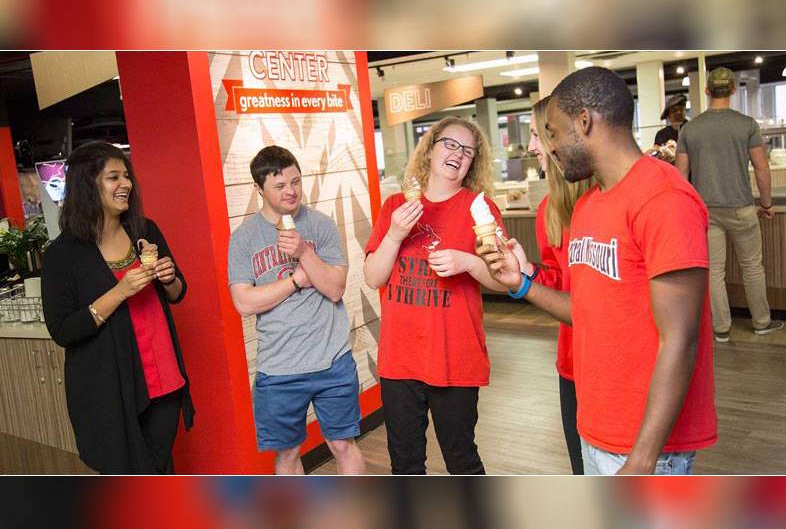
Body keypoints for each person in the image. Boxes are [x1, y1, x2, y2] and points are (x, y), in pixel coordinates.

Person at [478, 67, 717, 475]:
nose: (549, 147)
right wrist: (520, 283)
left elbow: (681, 340)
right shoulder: (588, 206)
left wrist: (642, 460)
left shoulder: (664, 199)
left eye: (552, 132)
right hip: (595, 428)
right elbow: (585, 311)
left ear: (584, 122)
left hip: (646, 447)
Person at [363, 116, 506, 475]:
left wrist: (469, 262)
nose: (459, 154)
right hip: (400, 359)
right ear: (429, 149)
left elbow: (505, 281)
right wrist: (395, 234)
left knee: (462, 462)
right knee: (405, 464)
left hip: (455, 358)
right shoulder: (396, 205)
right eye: (450, 144)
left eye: (468, 151)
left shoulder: (479, 208)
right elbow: (372, 276)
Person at [41, 141, 194, 474]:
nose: (125, 184)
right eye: (113, 177)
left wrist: (168, 277)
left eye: (126, 176)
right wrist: (120, 291)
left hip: (162, 376)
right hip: (108, 390)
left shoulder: (144, 230)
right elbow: (63, 329)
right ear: (87, 184)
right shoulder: (62, 254)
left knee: (159, 468)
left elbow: (177, 293)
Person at [228, 145, 365, 475]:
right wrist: (296, 281)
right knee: (287, 453)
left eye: (296, 181)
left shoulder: (320, 225)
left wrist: (304, 252)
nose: (291, 191)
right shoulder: (244, 238)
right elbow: (244, 302)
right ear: (258, 189)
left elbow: (334, 287)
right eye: (279, 185)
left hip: (332, 358)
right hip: (279, 368)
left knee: (343, 445)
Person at [675, 66, 783, 343]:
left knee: (714, 271)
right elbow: (762, 169)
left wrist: (685, 213)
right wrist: (767, 204)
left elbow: (680, 176)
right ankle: (762, 322)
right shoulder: (746, 124)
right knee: (752, 267)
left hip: (707, 211)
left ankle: (721, 329)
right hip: (742, 208)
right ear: (733, 90)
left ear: (708, 91)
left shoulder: (690, 128)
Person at [513, 96, 591, 474]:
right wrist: (527, 272)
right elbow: (558, 283)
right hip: (572, 365)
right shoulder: (548, 211)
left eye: (535, 135)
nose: (530, 148)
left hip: (615, 367)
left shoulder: (605, 202)